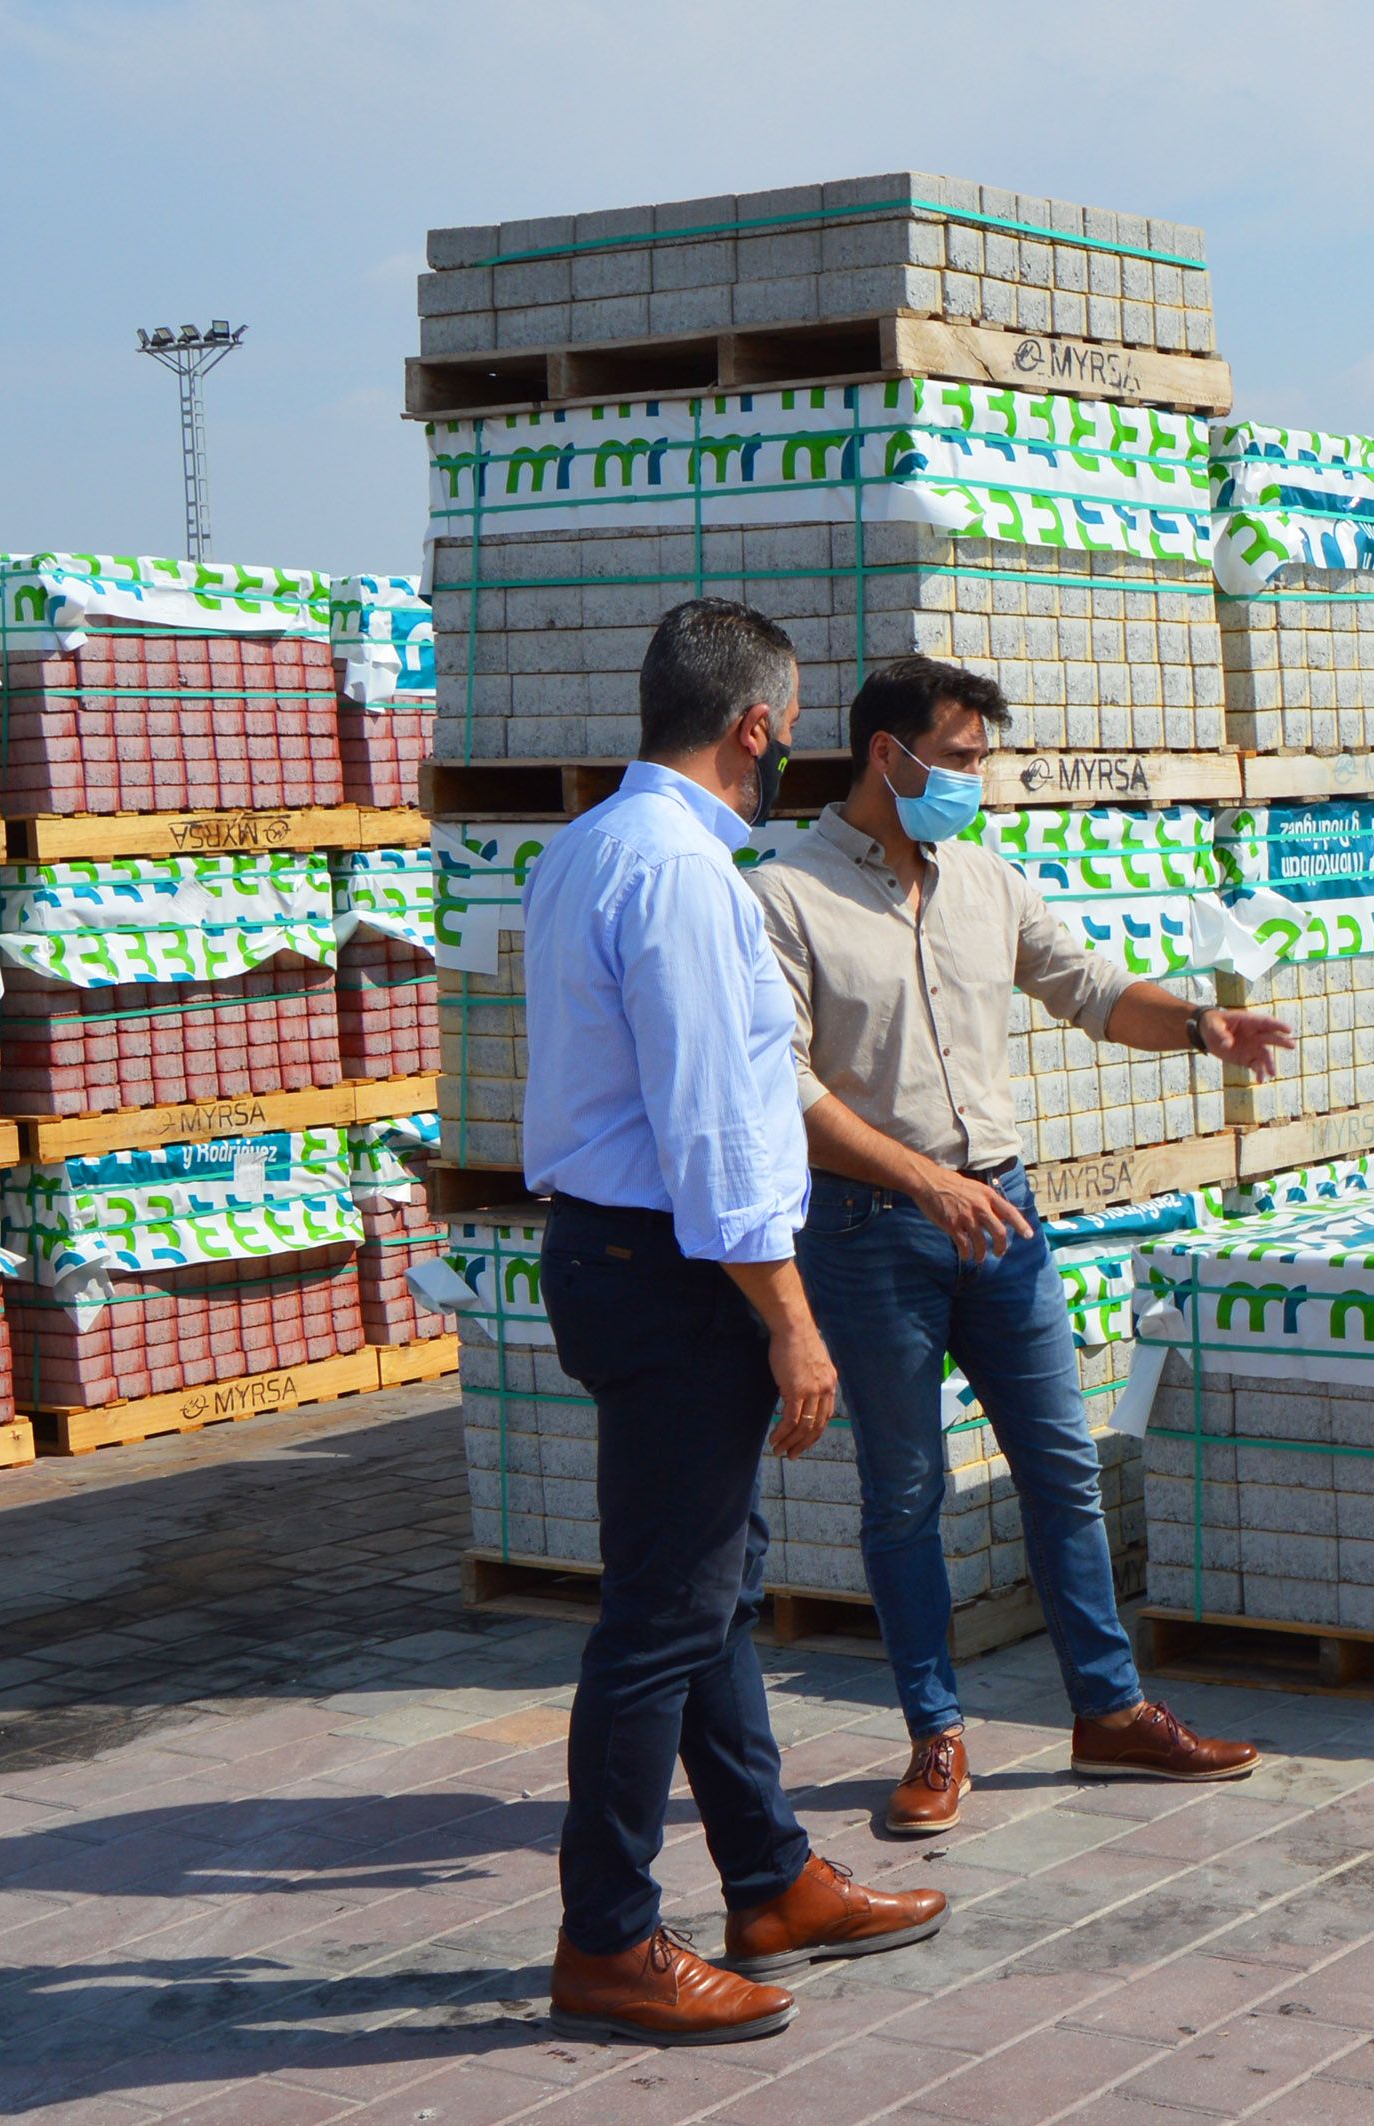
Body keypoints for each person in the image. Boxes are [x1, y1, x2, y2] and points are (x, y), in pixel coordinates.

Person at [749, 656, 1292, 1835]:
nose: (974, 779)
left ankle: (1110, 1710)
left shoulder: (987, 882)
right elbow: (780, 1087)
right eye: (959, 757)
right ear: (886, 755)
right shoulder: (785, 898)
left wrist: (1202, 1024)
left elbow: (1091, 988)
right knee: (904, 1490)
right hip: (867, 1230)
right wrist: (922, 1180)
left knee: (1064, 1470)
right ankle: (935, 1735)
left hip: (1003, 1220)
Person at [524, 603, 946, 2047]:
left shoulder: (585, 845)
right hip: (674, 1270)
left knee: (702, 1583)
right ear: (755, 725)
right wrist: (789, 1319)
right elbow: (711, 1124)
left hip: (606, 1252)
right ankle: (610, 1938)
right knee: (657, 1617)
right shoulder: (688, 879)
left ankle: (769, 1878)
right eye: (790, 724)